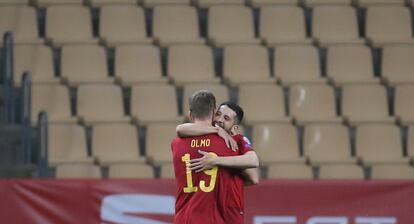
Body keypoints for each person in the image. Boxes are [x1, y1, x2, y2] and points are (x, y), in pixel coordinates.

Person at [171, 90, 258, 224]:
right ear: (212, 114)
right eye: (218, 114)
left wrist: (216, 161)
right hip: (214, 216)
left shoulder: (177, 142)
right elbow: (253, 177)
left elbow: (180, 129)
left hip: (184, 217)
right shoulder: (227, 144)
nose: (220, 120)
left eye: (226, 118)